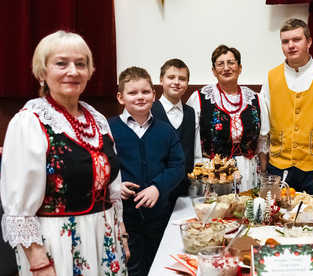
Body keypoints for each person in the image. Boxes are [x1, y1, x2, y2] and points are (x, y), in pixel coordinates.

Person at [0, 30, 128, 275]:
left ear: (90, 72)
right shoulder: (30, 122)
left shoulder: (97, 119)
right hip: (58, 245)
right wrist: (39, 263)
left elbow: (112, 186)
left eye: (81, 64)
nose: (73, 71)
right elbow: (19, 208)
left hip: (105, 238)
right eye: (61, 63)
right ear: (42, 71)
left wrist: (120, 231)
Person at [109, 66, 185, 276]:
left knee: (159, 264)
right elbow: (102, 166)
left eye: (145, 92)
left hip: (158, 216)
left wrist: (158, 188)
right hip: (124, 219)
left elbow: (178, 166)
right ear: (121, 97)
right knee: (130, 267)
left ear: (154, 94)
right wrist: (116, 186)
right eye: (132, 93)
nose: (140, 97)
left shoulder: (165, 130)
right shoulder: (108, 129)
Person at [261, 18, 313, 196]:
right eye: (285, 41)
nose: (291, 46)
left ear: (309, 42)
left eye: (297, 40)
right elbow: (264, 126)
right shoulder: (271, 76)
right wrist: (264, 168)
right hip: (278, 166)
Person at [186, 45, 269, 192]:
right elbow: (191, 141)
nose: (226, 68)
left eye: (231, 63)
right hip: (213, 174)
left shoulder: (256, 98)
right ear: (213, 71)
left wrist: (263, 173)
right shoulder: (200, 98)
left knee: (245, 212)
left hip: (248, 173)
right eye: (220, 64)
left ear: (240, 67)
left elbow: (262, 140)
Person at [151, 59, 195, 207]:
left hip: (184, 189)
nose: (176, 82)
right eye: (171, 77)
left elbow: (194, 152)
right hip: (156, 189)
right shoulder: (149, 110)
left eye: (182, 79)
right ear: (161, 80)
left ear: (187, 83)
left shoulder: (191, 113)